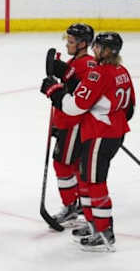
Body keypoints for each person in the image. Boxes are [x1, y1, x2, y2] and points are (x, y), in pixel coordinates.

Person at [41, 32, 135, 252]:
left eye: (99, 47)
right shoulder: (122, 71)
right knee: (85, 179)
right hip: (111, 132)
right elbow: (129, 108)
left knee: (95, 183)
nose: (95, 50)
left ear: (107, 51)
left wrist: (53, 92)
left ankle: (104, 233)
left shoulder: (98, 74)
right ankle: (94, 225)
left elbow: (75, 106)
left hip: (100, 135)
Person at [48, 23, 97, 227]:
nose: (67, 44)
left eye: (71, 41)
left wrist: (56, 88)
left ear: (83, 44)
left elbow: (80, 96)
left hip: (75, 123)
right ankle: (79, 205)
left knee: (62, 164)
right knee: (75, 166)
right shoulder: (77, 62)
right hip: (68, 121)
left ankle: (70, 206)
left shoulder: (87, 64)